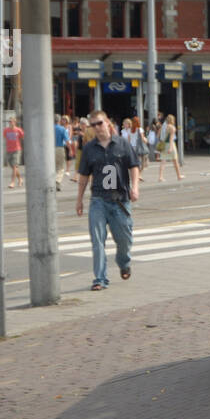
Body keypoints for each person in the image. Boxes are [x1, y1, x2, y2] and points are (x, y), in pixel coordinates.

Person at [75, 110, 140, 290]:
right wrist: (79, 200)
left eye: (99, 123)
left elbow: (134, 166)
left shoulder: (122, 144)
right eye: (93, 125)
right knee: (97, 240)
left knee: (124, 240)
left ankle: (124, 262)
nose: (97, 127)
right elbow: (83, 177)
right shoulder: (89, 149)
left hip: (120, 201)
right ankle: (100, 279)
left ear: (108, 124)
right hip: (98, 200)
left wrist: (135, 188)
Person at [156, 113, 184, 182]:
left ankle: (160, 177)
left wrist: (160, 140)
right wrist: (171, 148)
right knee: (175, 161)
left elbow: (158, 135)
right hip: (170, 145)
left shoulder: (163, 126)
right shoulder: (172, 127)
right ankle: (179, 176)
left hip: (163, 144)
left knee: (163, 161)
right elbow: (171, 139)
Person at [4, 115, 25, 189]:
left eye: (12, 121)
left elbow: (22, 137)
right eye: (9, 122)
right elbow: (5, 138)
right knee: (13, 168)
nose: (10, 123)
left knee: (15, 166)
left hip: (16, 150)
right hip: (9, 150)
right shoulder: (6, 130)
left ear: (15, 122)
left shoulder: (18, 130)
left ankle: (12, 182)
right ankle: (20, 179)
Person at [54, 114, 70, 191]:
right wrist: (70, 150)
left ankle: (52, 181)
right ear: (59, 120)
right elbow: (67, 140)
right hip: (59, 148)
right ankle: (57, 180)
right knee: (60, 167)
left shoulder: (48, 128)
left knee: (53, 166)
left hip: (49, 149)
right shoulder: (62, 129)